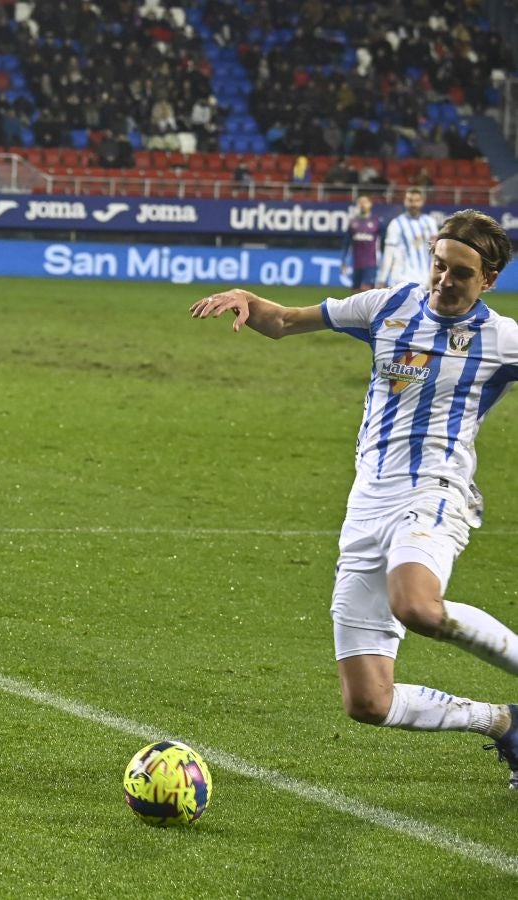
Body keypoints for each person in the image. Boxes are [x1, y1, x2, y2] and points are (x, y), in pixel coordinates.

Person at [190, 208, 518, 790]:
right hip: (366, 506)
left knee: (416, 605)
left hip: (436, 491)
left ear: (487, 280)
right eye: (438, 266)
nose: (443, 280)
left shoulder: (503, 340)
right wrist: (248, 299)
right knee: (368, 700)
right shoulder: (387, 307)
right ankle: (503, 724)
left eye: (460, 274)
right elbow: (286, 320)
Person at [376, 188, 439, 288]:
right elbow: (389, 253)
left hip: (425, 280)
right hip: (402, 280)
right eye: (410, 200)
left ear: (422, 202)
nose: (413, 204)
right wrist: (382, 279)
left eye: (416, 201)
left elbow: (435, 251)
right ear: (405, 201)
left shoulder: (430, 222)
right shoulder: (396, 224)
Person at [340, 194, 381, 293]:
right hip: (356, 264)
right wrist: (343, 261)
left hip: (371, 263)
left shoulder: (376, 222)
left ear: (370, 204)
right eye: (360, 202)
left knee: (366, 291)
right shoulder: (353, 222)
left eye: (365, 202)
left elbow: (383, 242)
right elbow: (346, 244)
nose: (362, 205)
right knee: (355, 293)